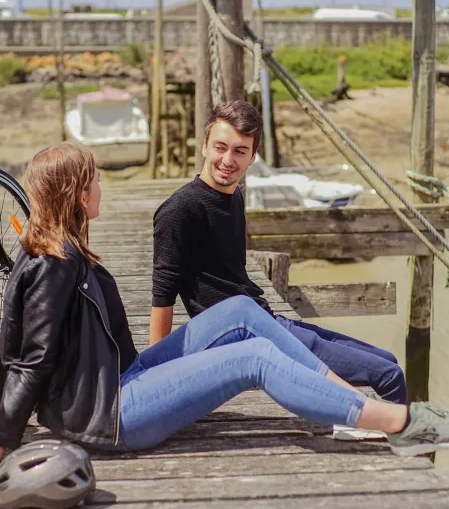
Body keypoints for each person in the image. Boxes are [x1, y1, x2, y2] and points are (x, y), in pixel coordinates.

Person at [0, 142, 449, 474]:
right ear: (77, 194)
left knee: (239, 311)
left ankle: (337, 396)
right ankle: (401, 423)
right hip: (112, 415)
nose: (102, 187)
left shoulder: (64, 247)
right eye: (94, 179)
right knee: (255, 358)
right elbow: (30, 360)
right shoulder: (54, 263)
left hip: (121, 378)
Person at [149, 100, 407, 438]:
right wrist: (159, 378)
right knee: (389, 376)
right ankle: (405, 443)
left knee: (387, 359)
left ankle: (374, 426)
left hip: (266, 319)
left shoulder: (234, 196)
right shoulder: (179, 210)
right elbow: (162, 296)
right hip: (240, 334)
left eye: (240, 152)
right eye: (220, 148)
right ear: (204, 145)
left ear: (253, 156)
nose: (228, 161)